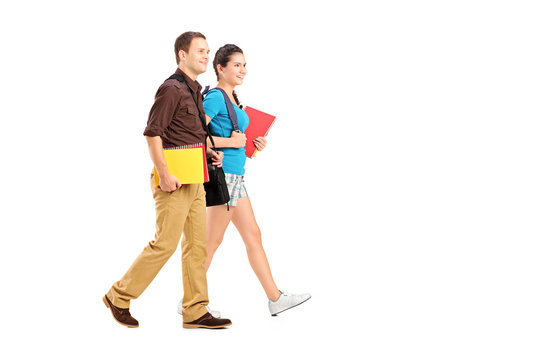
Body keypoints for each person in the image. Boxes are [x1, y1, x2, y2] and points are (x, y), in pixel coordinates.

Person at [103, 32, 232, 329]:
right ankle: (118, 295)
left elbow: (188, 134)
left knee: (197, 246)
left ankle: (195, 310)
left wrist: (210, 151)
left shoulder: (196, 92)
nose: (206, 55)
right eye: (200, 50)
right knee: (165, 244)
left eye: (208, 51)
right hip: (172, 180)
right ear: (182, 55)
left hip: (195, 177)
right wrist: (163, 174)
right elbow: (153, 134)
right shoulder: (171, 89)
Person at [177, 44, 311, 316]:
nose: (242, 70)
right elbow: (194, 135)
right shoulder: (215, 97)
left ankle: (275, 299)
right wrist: (231, 141)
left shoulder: (232, 99)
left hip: (236, 176)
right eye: (236, 65)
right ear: (220, 68)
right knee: (211, 241)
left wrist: (251, 145)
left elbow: (234, 141)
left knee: (253, 236)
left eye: (244, 65)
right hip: (223, 178)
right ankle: (189, 302)